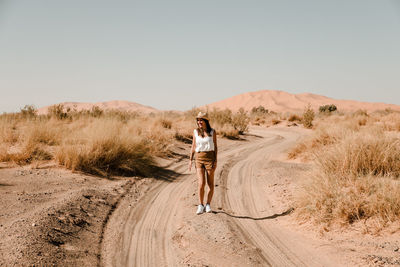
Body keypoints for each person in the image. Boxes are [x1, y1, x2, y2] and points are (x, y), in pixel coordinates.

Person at [188, 112, 218, 214]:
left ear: (205, 121)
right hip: (199, 158)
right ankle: (200, 205)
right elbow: (193, 146)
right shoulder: (195, 132)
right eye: (198, 120)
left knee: (210, 184)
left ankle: (208, 204)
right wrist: (190, 160)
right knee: (201, 184)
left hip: (210, 158)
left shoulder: (213, 132)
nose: (199, 122)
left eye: (201, 120)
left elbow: (216, 147)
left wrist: (215, 160)